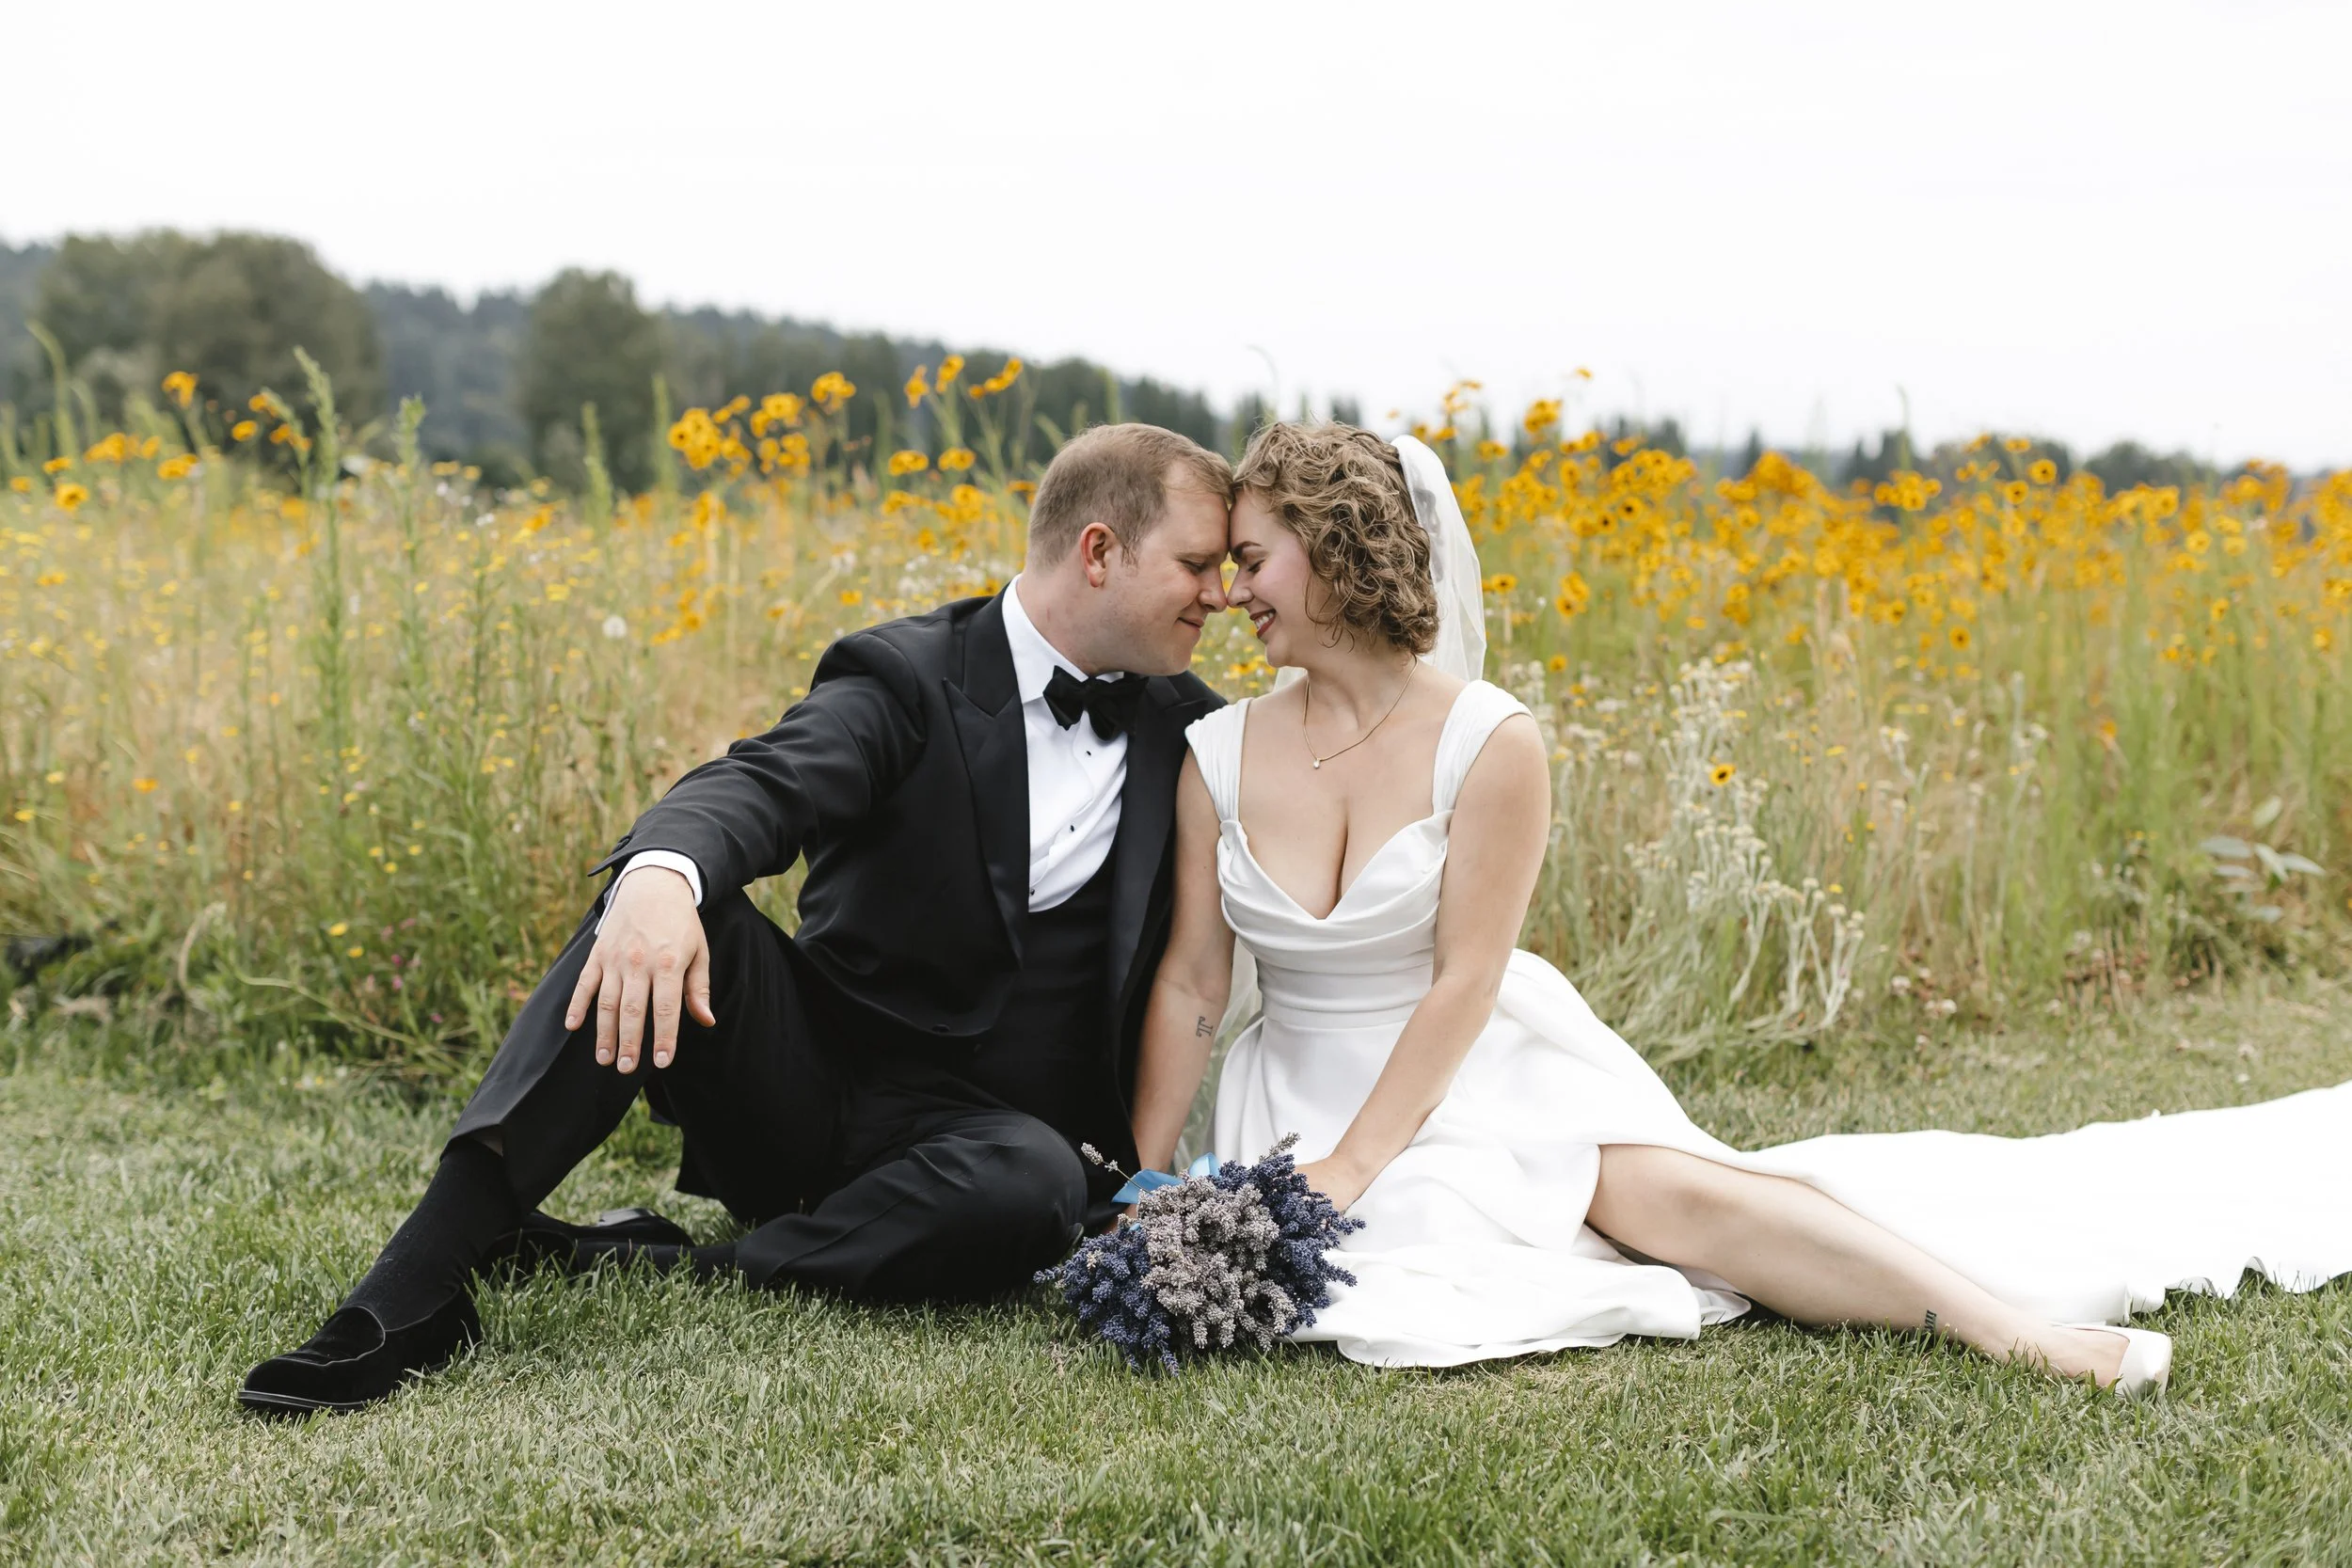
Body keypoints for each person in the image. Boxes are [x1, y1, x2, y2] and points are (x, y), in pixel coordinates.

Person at [1129, 420, 2352, 1388]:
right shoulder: (1219, 751)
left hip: (1477, 1058)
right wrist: (1138, 1183)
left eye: (1252, 557)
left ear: (1337, 546)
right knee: (1416, 1249)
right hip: (1293, 1091)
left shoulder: (1490, 739)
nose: (1233, 591)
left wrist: (1358, 1160)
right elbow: (1193, 983)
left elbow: (1467, 977)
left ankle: (2016, 1333)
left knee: (1675, 1201)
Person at [240, 423, 1235, 1416]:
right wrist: (663, 873)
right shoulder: (910, 675)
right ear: (1099, 551)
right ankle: (416, 1283)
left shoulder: (1194, 733)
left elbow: (1192, 975)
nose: (1220, 592)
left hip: (988, 1152)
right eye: (1196, 564)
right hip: (807, 1084)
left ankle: (652, 1264)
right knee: (659, 906)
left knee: (1034, 1185)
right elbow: (763, 781)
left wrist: (1143, 1180)